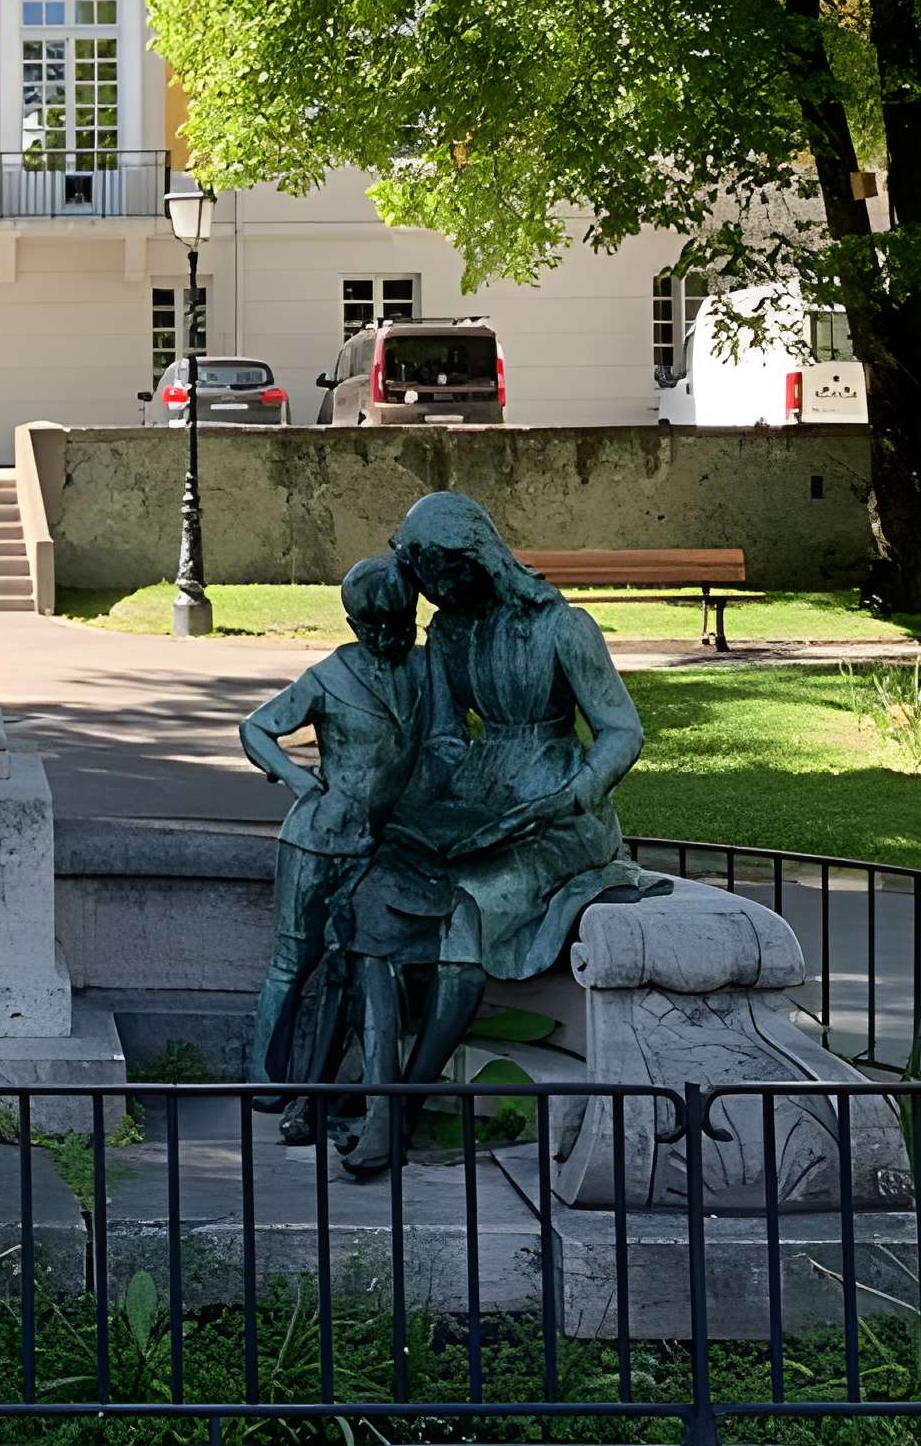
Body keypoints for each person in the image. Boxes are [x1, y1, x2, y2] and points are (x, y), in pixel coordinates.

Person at [331, 490, 657, 1173]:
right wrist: (423, 801)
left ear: (472, 562)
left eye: (438, 580)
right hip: (481, 806)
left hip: (563, 816)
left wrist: (568, 796)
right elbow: (448, 740)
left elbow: (622, 732)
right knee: (369, 893)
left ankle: (401, 1109)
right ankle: (380, 1100)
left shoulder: (565, 629)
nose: (431, 597)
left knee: (465, 910)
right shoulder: (448, 636)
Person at [237, 556, 421, 1149]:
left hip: (381, 840)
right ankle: (265, 1084)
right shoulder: (328, 677)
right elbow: (256, 728)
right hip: (315, 841)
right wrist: (294, 776)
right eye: (380, 627)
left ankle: (336, 1088)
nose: (394, 636)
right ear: (355, 625)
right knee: (293, 963)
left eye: (403, 621)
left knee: (358, 966)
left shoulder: (422, 669)